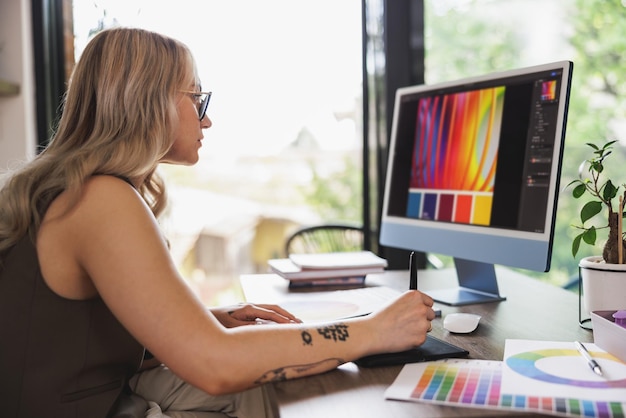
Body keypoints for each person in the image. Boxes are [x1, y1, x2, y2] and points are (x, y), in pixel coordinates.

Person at [0, 27, 436, 418]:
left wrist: (202, 320)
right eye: (196, 99)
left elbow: (67, 342)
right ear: (146, 102)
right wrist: (372, 331)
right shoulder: (100, 199)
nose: (206, 118)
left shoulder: (69, 189)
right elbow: (216, 366)